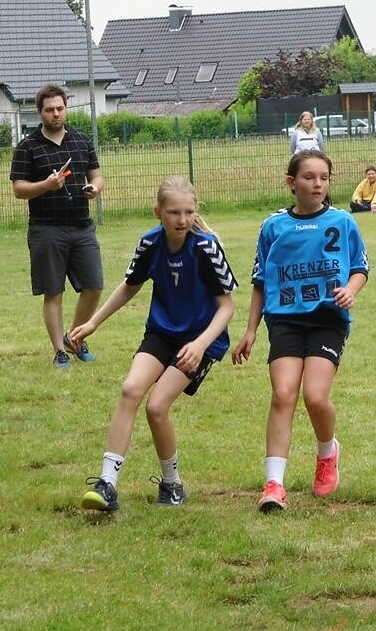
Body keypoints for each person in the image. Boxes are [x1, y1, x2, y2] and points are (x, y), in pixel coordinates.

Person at [74, 176, 237, 511]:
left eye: (188, 212)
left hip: (201, 338)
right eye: (174, 212)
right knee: (131, 389)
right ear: (157, 212)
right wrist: (92, 323)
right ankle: (107, 484)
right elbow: (129, 285)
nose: (182, 220)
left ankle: (172, 483)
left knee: (156, 407)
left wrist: (201, 344)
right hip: (162, 332)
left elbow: (227, 307)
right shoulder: (150, 244)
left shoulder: (206, 247)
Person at [232, 150, 369, 510]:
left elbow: (359, 268)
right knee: (283, 393)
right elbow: (261, 281)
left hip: (327, 318)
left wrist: (350, 291)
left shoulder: (343, 223)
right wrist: (250, 330)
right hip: (285, 319)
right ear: (292, 183)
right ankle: (274, 484)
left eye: (324, 177)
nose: (318, 184)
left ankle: (327, 453)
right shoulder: (273, 227)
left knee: (315, 397)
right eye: (309, 177)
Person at [9, 83, 106, 368]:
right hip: (46, 228)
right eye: (49, 110)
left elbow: (98, 176)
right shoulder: (27, 147)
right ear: (39, 112)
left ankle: (73, 338)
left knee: (94, 286)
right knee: (53, 292)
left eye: (60, 109)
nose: (55, 114)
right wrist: (47, 185)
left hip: (81, 225)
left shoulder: (81, 140)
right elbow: (19, 189)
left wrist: (95, 188)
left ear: (66, 109)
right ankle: (59, 352)